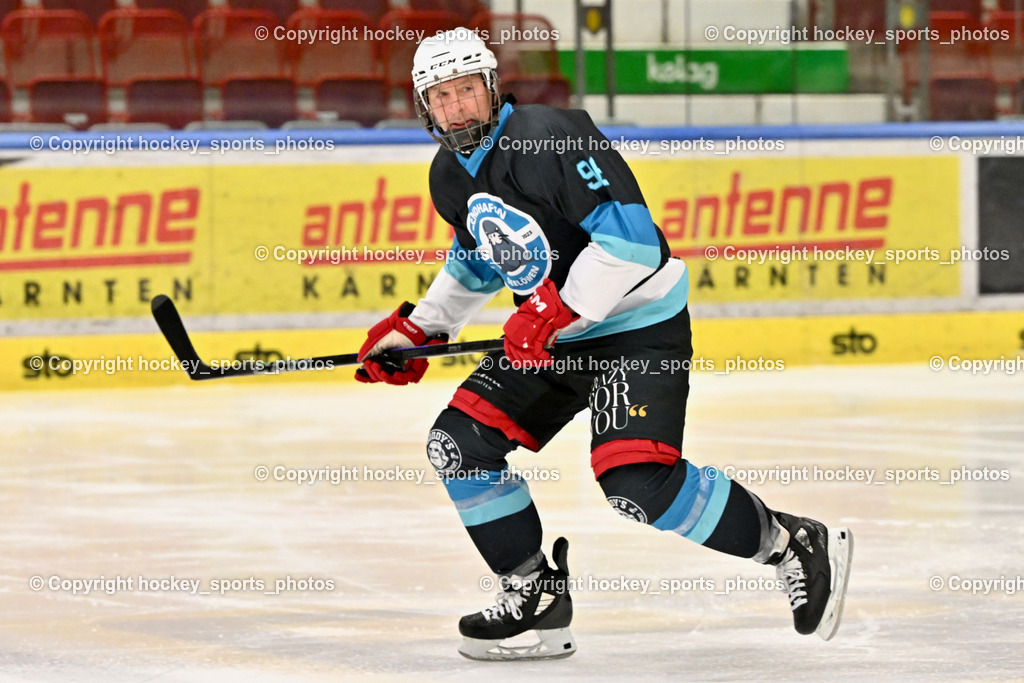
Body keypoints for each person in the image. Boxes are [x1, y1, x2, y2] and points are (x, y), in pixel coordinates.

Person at [355, 28, 853, 661]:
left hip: (636, 329)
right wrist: (422, 327)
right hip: (555, 336)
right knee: (459, 445)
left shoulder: (548, 137)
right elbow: (481, 259)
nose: (457, 108)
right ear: (424, 107)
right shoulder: (449, 174)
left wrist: (559, 307)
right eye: (441, 97)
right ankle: (534, 594)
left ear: (491, 89)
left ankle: (790, 543)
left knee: (635, 483)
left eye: (466, 92)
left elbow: (633, 242)